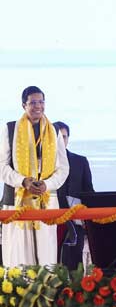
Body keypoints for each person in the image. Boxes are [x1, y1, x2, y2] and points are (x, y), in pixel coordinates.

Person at [0, 86, 69, 266]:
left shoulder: (54, 131)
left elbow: (63, 168)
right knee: (19, 260)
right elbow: (2, 166)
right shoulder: (10, 129)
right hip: (16, 200)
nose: (37, 106)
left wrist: (47, 184)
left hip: (46, 200)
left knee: (46, 259)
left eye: (41, 102)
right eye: (32, 103)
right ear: (24, 105)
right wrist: (22, 181)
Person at [53, 121, 94, 269]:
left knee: (74, 263)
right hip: (50, 219)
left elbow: (89, 192)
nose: (60, 141)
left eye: (64, 137)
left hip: (75, 220)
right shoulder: (42, 164)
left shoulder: (80, 161)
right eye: (57, 137)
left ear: (68, 139)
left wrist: (88, 218)